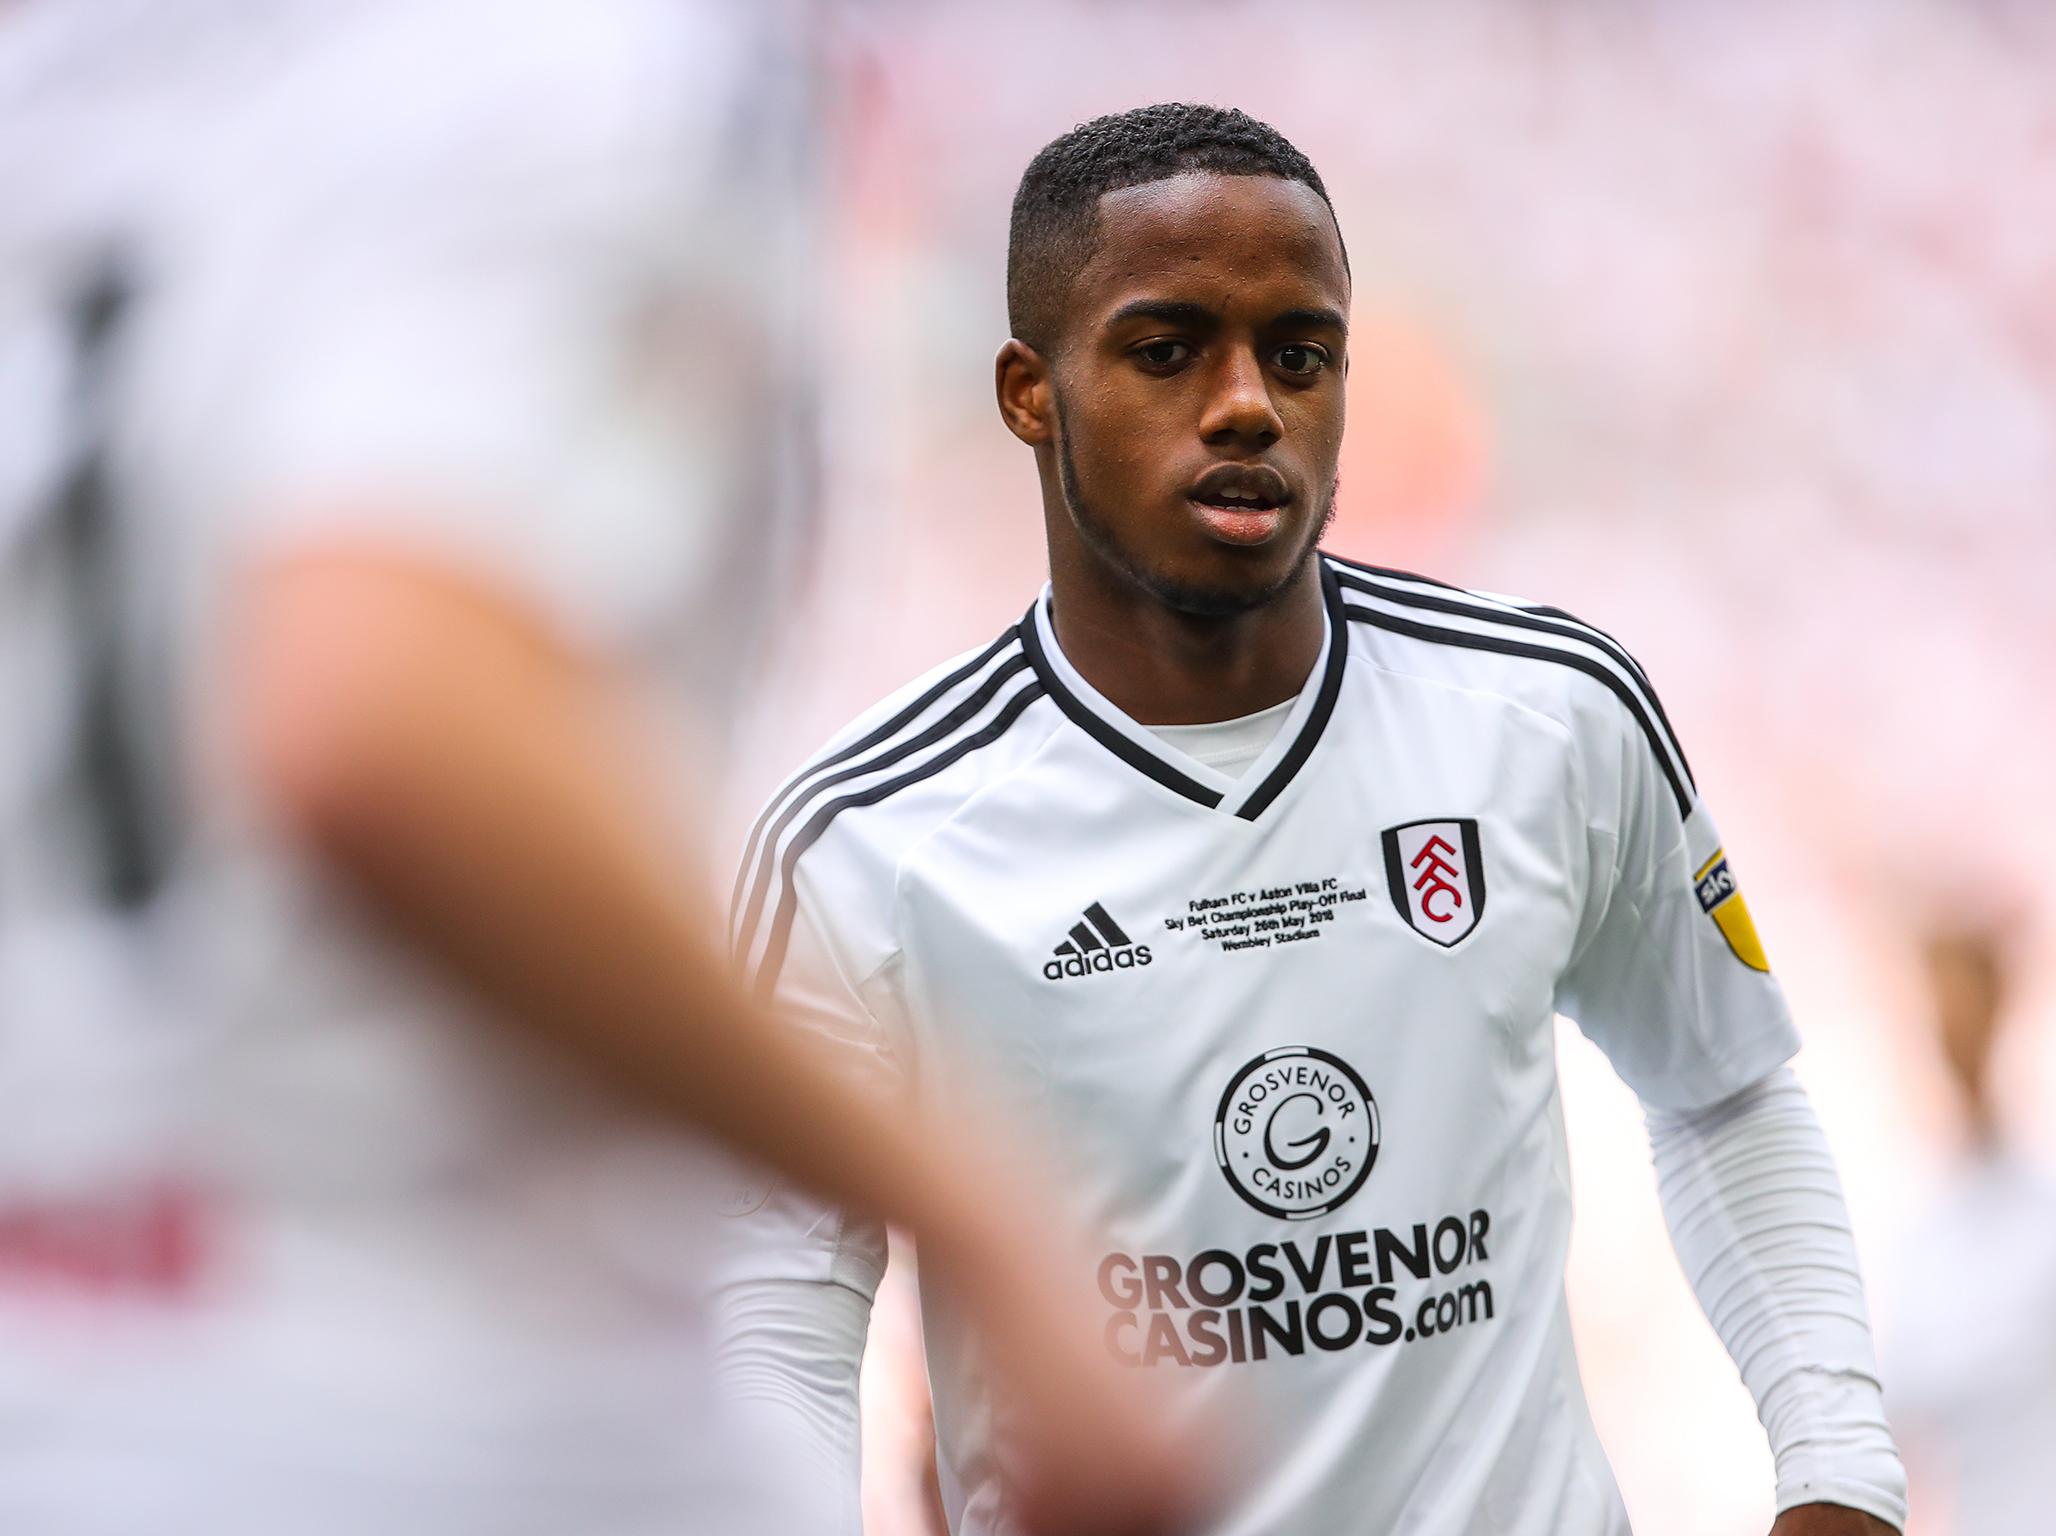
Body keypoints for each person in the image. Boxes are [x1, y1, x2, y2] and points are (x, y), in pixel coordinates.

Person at [0, 6, 1186, 1532]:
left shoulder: (77, 64)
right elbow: (383, 714)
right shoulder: (598, 56)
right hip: (426, 1385)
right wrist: (988, 1225)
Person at [719, 102, 1910, 1535]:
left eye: (1301, 353)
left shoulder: (1550, 715)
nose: (1247, 404)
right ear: (1032, 392)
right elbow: (775, 1305)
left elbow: (1723, 1088)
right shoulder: (867, 838)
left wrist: (1842, 1469)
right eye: (1169, 351)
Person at [1881, 922, 2056, 1532]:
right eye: (1941, 1028)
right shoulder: (1915, 1237)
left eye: (1965, 1022)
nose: (1955, 1047)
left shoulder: (2041, 1214)